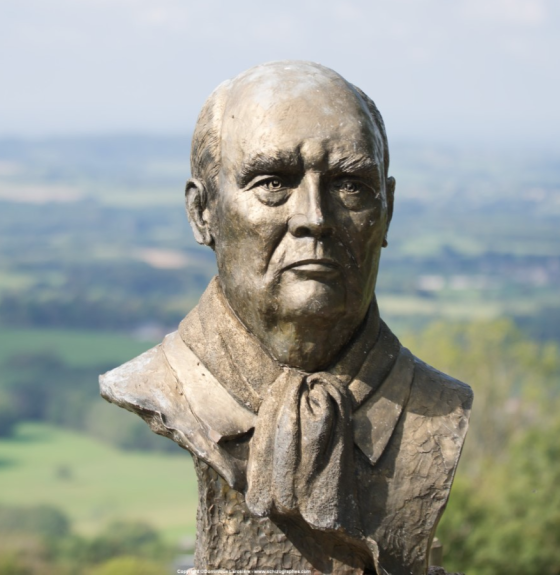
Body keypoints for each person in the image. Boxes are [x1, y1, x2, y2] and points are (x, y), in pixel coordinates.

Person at [99, 61, 472, 575]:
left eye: (350, 186)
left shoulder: (439, 406)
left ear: (387, 211)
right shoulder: (156, 385)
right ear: (203, 212)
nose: (314, 217)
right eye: (273, 182)